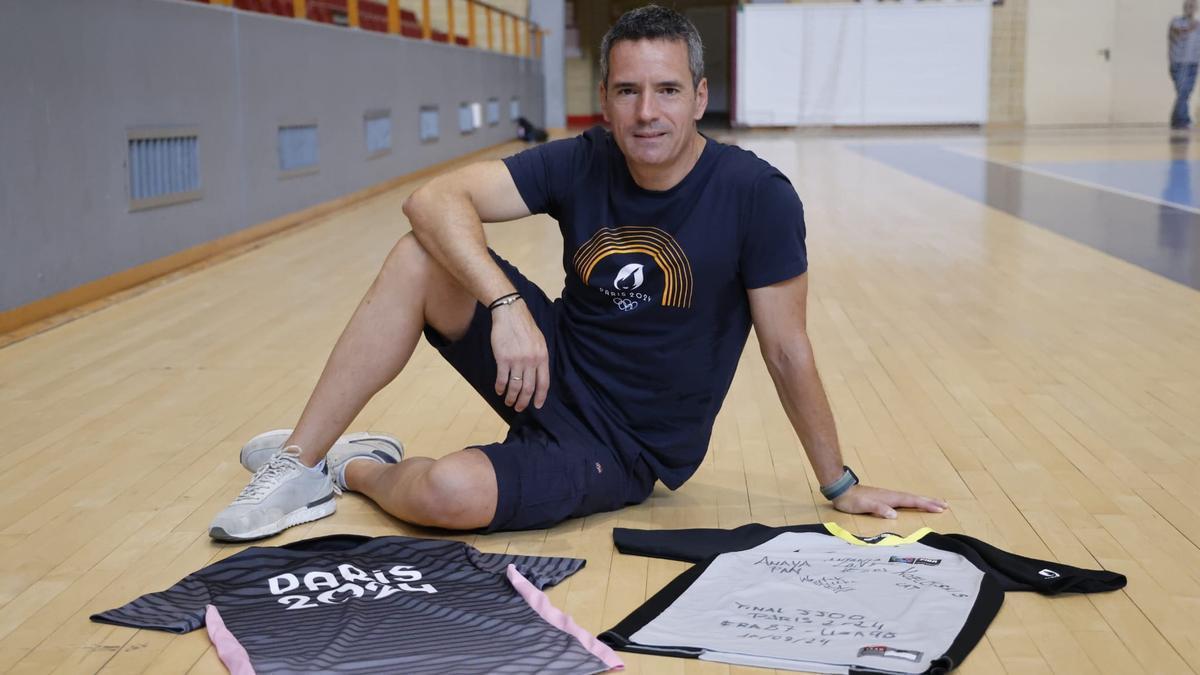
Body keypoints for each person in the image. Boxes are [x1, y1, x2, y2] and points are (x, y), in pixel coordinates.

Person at [208, 4, 948, 542]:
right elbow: (430, 200)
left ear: (699, 96)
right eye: (628, 91)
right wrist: (505, 303)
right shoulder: (583, 157)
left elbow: (787, 349)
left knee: (447, 491)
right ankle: (296, 464)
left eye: (666, 90)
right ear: (605, 101)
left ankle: (353, 465)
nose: (646, 111)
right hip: (549, 365)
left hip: (620, 446)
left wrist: (839, 484)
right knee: (418, 255)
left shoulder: (758, 196)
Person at [1170, 0, 1200, 129]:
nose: (1190, 8)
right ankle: (1182, 120)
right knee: (1183, 92)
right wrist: (1191, 27)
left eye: (1193, 6)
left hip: (1193, 63)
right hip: (1179, 63)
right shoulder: (1176, 21)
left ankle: (1177, 120)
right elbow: (1178, 32)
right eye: (1188, 6)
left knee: (1185, 93)